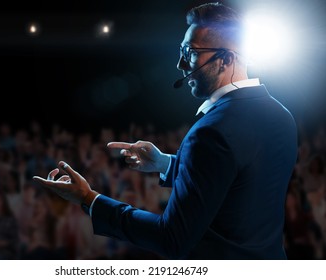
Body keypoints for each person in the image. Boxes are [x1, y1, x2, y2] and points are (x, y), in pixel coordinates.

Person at [33, 2, 298, 259]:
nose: (181, 65)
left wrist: (89, 198)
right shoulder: (282, 116)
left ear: (224, 60)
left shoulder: (210, 132)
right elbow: (238, 183)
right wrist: (165, 163)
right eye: (182, 51)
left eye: (191, 53)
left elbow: (171, 239)